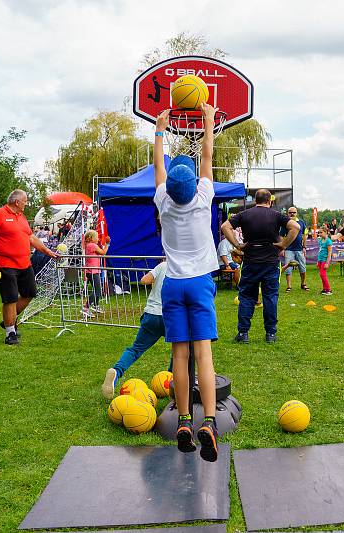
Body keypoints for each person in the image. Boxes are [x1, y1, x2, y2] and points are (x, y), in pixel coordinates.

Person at [152, 104, 220, 460]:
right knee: (203, 353)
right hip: (199, 284)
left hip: (173, 284)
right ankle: (207, 421)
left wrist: (160, 131)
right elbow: (206, 156)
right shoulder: (203, 199)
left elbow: (159, 168)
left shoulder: (163, 200)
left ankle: (182, 419)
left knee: (179, 355)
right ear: (195, 186)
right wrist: (208, 121)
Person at [221, 190, 299, 344]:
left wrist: (237, 245)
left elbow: (225, 226)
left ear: (255, 200)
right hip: (270, 262)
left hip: (250, 261)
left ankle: (243, 333)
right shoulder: (276, 215)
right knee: (270, 297)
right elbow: (295, 227)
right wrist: (283, 244)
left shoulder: (245, 214)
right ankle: (270, 334)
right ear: (269, 201)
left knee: (247, 297)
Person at [0, 189, 58, 345]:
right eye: (25, 200)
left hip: (25, 263)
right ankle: (10, 332)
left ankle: (8, 320)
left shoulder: (22, 217)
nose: (26, 203)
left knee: (30, 293)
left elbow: (31, 237)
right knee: (10, 298)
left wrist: (47, 251)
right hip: (5, 264)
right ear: (17, 202)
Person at [102, 260, 169, 399]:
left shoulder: (162, 266)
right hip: (172, 316)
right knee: (180, 350)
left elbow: (144, 280)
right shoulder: (184, 267)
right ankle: (173, 381)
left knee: (135, 349)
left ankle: (116, 371)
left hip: (151, 314)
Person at [280, 207, 308, 292]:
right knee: (288, 268)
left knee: (302, 268)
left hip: (299, 249)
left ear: (297, 213)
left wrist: (304, 247)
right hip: (288, 249)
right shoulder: (285, 223)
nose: (292, 214)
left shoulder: (301, 222)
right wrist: (283, 248)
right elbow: (281, 236)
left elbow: (304, 235)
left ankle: (303, 284)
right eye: (290, 212)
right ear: (287, 213)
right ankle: (289, 286)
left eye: (294, 212)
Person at [83, 230, 109, 317]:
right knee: (97, 290)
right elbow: (103, 252)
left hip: (92, 270)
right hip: (92, 271)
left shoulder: (88, 245)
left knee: (97, 288)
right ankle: (86, 308)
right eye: (96, 237)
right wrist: (107, 244)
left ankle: (96, 305)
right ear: (91, 238)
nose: (98, 239)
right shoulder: (92, 245)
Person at [317, 227, 333, 295]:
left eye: (321, 232)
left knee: (322, 274)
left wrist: (327, 262)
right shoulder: (320, 240)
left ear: (326, 232)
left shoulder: (328, 241)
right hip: (320, 260)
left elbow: (329, 253)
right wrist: (318, 261)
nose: (319, 234)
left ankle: (328, 289)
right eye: (319, 232)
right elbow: (320, 251)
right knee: (321, 275)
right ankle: (324, 289)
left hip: (325, 260)